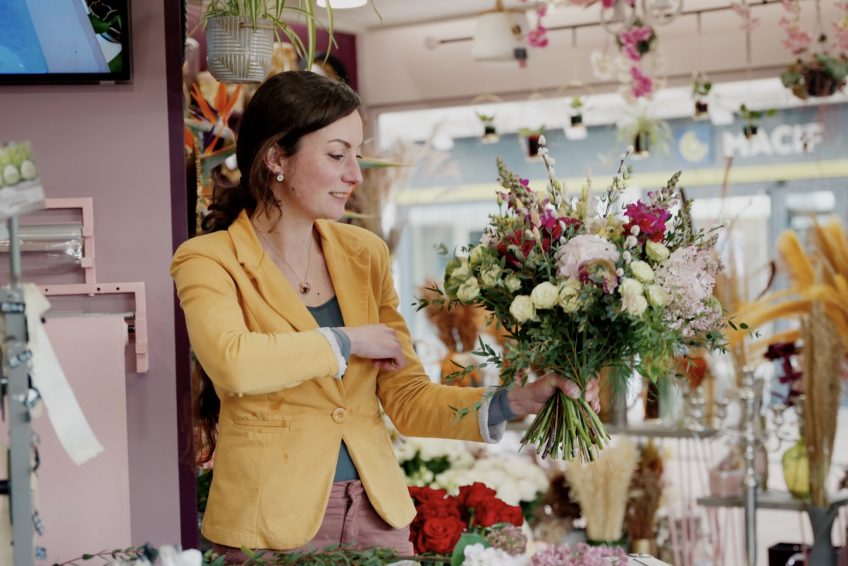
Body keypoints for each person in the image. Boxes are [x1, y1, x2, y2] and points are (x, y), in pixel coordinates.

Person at [170, 70, 575, 560]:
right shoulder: (207, 258)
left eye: (357, 156)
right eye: (337, 155)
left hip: (376, 516)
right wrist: (346, 342)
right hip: (268, 526)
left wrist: (515, 400)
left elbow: (407, 399)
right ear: (276, 157)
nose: (355, 175)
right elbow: (235, 362)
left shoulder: (365, 254)